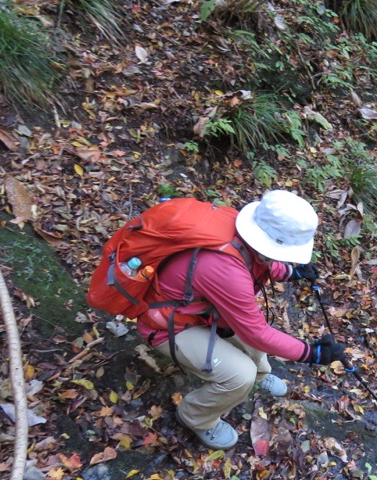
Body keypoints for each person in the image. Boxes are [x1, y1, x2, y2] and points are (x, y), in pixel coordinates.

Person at [136, 190, 347, 450]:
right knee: (240, 375)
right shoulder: (224, 270)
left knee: (255, 345)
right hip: (170, 326)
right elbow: (256, 332)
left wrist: (292, 272)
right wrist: (311, 354)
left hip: (200, 310)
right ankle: (195, 416)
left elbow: (259, 261)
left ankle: (261, 375)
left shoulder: (243, 233)